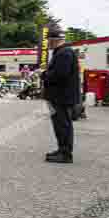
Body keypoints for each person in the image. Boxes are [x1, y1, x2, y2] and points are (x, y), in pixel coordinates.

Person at [41, 30, 80, 163]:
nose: (47, 43)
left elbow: (60, 75)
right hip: (59, 96)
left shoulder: (64, 53)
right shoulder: (63, 52)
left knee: (62, 124)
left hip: (61, 97)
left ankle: (65, 154)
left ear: (54, 39)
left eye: (48, 40)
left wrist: (44, 75)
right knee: (60, 124)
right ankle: (62, 149)